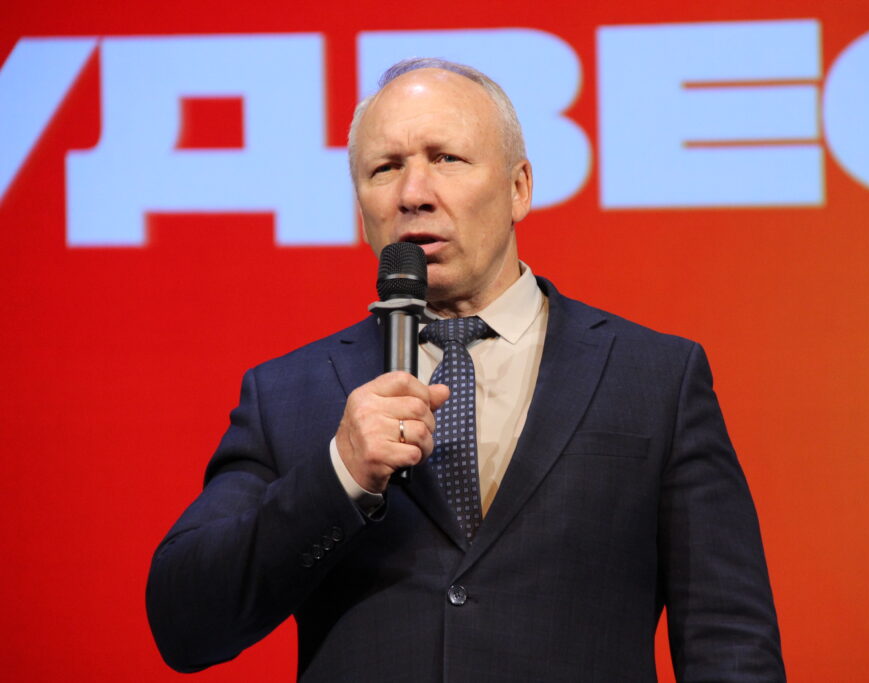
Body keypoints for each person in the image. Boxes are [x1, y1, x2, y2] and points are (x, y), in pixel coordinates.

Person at [147, 58, 785, 682]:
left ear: (519, 189)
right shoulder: (287, 393)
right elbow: (184, 621)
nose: (413, 194)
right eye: (384, 168)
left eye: (446, 158)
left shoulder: (655, 378)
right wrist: (339, 475)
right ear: (361, 209)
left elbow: (729, 639)